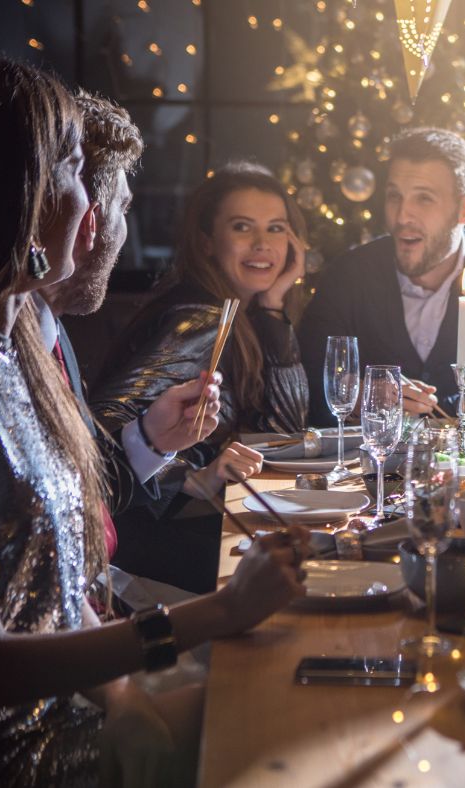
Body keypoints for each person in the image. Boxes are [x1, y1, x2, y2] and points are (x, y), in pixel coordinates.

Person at [0, 55, 309, 787]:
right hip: (32, 759)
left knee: (305, 709)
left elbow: (60, 588)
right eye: (71, 170)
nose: (97, 215)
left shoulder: (10, 352)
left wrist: (155, 444)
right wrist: (215, 615)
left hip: (89, 704)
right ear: (19, 196)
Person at [90, 161, 309, 590]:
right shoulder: (201, 320)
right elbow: (102, 424)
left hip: (176, 520)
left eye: (277, 228)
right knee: (302, 568)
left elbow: (285, 431)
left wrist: (274, 306)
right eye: (243, 227)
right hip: (137, 542)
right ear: (208, 242)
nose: (263, 244)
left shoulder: (241, 316)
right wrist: (193, 477)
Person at [36, 90, 221, 554]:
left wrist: (152, 438)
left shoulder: (51, 331)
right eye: (123, 209)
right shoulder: (5, 346)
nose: (121, 232)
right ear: (91, 223)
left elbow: (85, 487)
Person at [299, 127, 465, 426]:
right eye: (394, 196)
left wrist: (427, 414)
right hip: (375, 468)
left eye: (424, 199)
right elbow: (306, 383)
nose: (402, 217)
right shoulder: (350, 271)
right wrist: (358, 393)